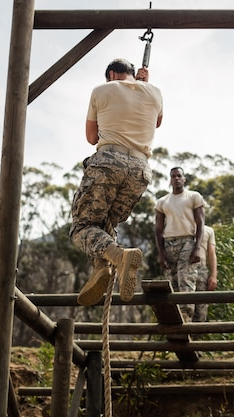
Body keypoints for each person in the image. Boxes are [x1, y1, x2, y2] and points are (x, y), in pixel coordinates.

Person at [71, 58, 163, 306]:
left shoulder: (102, 90)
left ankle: (119, 257)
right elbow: (156, 121)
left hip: (109, 161)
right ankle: (103, 268)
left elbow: (91, 138)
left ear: (111, 74)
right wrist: (145, 85)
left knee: (82, 227)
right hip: (140, 170)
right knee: (104, 225)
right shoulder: (155, 92)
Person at [155, 167, 205, 322]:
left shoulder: (193, 197)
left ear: (184, 179)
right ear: (170, 179)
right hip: (169, 243)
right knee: (172, 282)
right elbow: (158, 229)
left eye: (179, 176)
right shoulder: (162, 202)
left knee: (186, 279)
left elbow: (200, 224)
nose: (176, 178)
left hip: (187, 241)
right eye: (173, 176)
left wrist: (197, 248)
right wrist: (161, 255)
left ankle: (186, 318)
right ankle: (174, 320)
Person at [192, 224, 218, 324]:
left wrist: (214, 275)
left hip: (201, 270)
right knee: (183, 307)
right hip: (183, 268)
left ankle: (196, 337)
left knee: (201, 309)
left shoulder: (208, 230)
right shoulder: (182, 228)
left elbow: (212, 254)